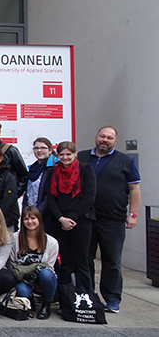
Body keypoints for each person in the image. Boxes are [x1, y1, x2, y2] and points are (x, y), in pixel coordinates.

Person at [80, 126, 141, 313]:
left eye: (109, 138)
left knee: (112, 261)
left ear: (115, 141)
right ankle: (87, 296)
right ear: (96, 137)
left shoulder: (125, 161)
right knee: (84, 260)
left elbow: (134, 189)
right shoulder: (81, 157)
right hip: (86, 218)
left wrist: (132, 214)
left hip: (113, 220)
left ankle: (112, 299)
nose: (104, 140)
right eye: (102, 136)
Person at [47, 141, 96, 292]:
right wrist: (61, 218)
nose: (65, 157)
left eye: (68, 154)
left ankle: (86, 298)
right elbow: (51, 198)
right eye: (61, 154)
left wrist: (73, 218)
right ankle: (66, 299)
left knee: (82, 262)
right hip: (60, 222)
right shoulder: (53, 171)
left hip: (81, 221)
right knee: (66, 262)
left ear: (75, 154)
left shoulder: (86, 170)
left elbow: (89, 196)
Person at [10, 206, 59, 320]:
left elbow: (49, 267)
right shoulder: (15, 238)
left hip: (42, 277)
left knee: (46, 274)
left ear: (39, 220)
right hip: (23, 278)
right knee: (22, 291)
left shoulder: (51, 242)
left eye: (33, 218)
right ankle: (29, 300)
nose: (30, 222)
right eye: (26, 219)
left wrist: (37, 282)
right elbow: (13, 263)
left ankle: (46, 305)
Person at [26, 137, 56, 229]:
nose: (39, 150)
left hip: (47, 217)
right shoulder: (32, 168)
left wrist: (38, 213)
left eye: (43, 148)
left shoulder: (54, 168)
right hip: (31, 216)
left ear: (50, 150)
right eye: (36, 148)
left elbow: (51, 195)